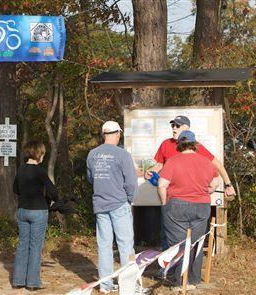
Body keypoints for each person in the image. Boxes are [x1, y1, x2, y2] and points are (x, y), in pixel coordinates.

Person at [145, 115, 235, 250]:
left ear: (186, 128)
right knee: (167, 238)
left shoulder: (194, 146)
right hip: (171, 199)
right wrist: (150, 171)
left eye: (177, 126)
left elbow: (217, 165)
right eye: (172, 125)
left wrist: (228, 185)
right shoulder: (166, 144)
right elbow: (159, 165)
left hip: (192, 202)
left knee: (190, 242)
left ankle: (186, 268)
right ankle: (169, 269)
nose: (174, 128)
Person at [157, 130, 219, 290]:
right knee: (196, 243)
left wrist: (165, 204)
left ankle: (179, 282)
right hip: (201, 206)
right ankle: (193, 280)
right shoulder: (206, 161)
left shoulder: (172, 161)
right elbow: (214, 184)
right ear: (194, 144)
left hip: (176, 206)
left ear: (179, 144)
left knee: (178, 244)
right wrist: (206, 192)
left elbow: (162, 185)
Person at [86, 121, 138, 294]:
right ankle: (128, 285)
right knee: (125, 245)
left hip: (100, 205)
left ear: (103, 135)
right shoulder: (122, 154)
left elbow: (90, 178)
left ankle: (105, 285)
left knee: (104, 245)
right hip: (119, 204)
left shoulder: (92, 154)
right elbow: (131, 182)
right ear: (118, 134)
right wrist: (130, 199)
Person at [12, 141, 58, 291]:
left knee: (23, 245)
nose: (43, 157)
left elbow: (15, 189)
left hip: (22, 211)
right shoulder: (40, 171)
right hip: (38, 211)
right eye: (43, 154)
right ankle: (32, 282)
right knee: (35, 246)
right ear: (39, 154)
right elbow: (53, 191)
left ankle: (18, 280)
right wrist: (52, 201)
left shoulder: (21, 169)